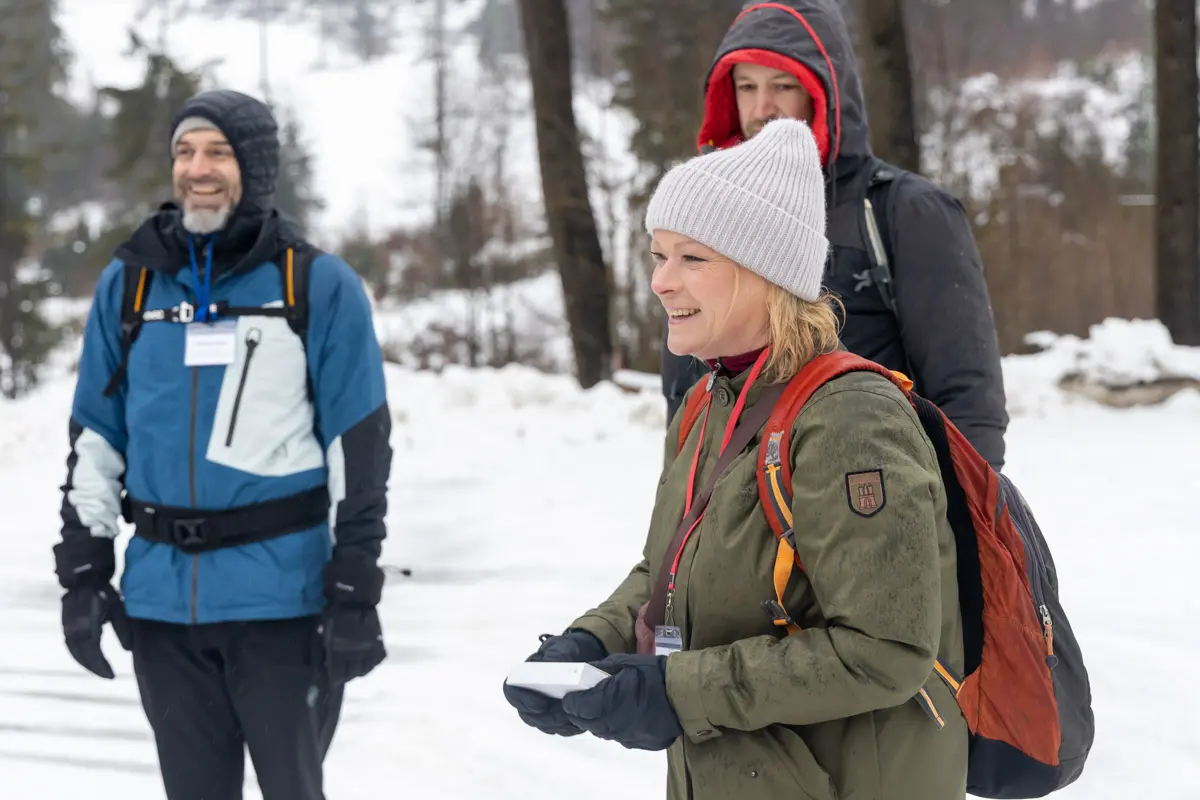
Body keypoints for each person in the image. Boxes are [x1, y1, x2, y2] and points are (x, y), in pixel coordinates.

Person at [504, 118, 968, 799]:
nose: (661, 282)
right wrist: (592, 645)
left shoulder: (850, 418)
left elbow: (885, 649)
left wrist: (677, 690)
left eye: (691, 259)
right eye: (658, 255)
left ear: (766, 274)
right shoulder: (706, 404)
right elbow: (669, 573)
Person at [51, 88, 392, 800]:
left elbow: (357, 449)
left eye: (217, 151)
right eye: (184, 150)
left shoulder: (314, 285)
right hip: (162, 612)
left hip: (283, 607)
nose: (197, 168)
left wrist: (356, 584)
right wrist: (83, 571)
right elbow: (97, 434)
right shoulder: (130, 284)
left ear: (255, 169)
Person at [661, 0, 1009, 470]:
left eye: (782, 84)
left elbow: (968, 400)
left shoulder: (905, 210)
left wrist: (951, 528)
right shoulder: (703, 222)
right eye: (746, 86)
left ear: (825, 91)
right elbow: (686, 397)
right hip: (742, 520)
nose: (762, 107)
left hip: (878, 507)